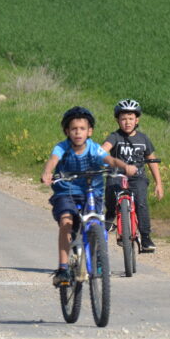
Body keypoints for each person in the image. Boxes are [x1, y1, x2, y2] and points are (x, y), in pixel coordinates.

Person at [40, 107, 136, 286]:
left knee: (96, 223)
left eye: (82, 128)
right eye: (74, 129)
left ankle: (99, 257)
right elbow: (53, 160)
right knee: (66, 223)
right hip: (67, 192)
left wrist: (125, 167)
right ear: (67, 131)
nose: (78, 132)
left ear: (89, 131)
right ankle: (62, 268)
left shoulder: (94, 148)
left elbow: (110, 160)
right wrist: (47, 172)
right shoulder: (62, 148)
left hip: (92, 193)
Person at [101, 99, 164, 252]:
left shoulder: (143, 139)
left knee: (141, 202)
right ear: (117, 120)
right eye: (123, 119)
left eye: (130, 118)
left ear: (137, 120)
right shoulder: (115, 136)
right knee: (111, 189)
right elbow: (104, 149)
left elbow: (152, 160)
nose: (127, 122)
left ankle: (146, 237)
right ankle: (110, 217)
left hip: (138, 177)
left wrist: (159, 183)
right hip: (117, 174)